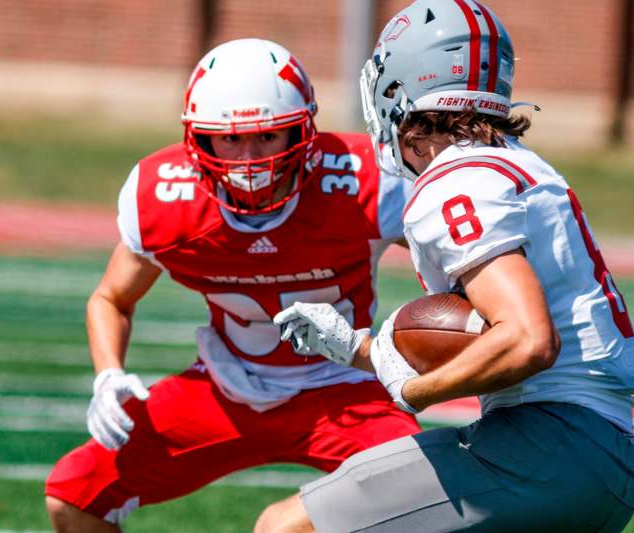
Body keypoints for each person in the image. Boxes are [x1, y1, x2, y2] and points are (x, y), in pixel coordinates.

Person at [259, 1, 634, 531]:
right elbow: (481, 331)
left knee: (286, 526)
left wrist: (413, 390)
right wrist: (360, 349)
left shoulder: (456, 179)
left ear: (398, 89)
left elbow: (527, 340)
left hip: (548, 446)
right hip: (600, 457)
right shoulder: (516, 164)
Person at [43, 38, 421, 531]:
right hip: (226, 389)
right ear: (198, 140)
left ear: (302, 131)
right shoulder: (164, 200)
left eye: (267, 137)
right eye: (230, 139)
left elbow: (456, 274)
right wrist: (108, 375)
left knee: (420, 494)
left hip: (346, 389)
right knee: (74, 496)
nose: (248, 159)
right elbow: (112, 297)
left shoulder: (364, 181)